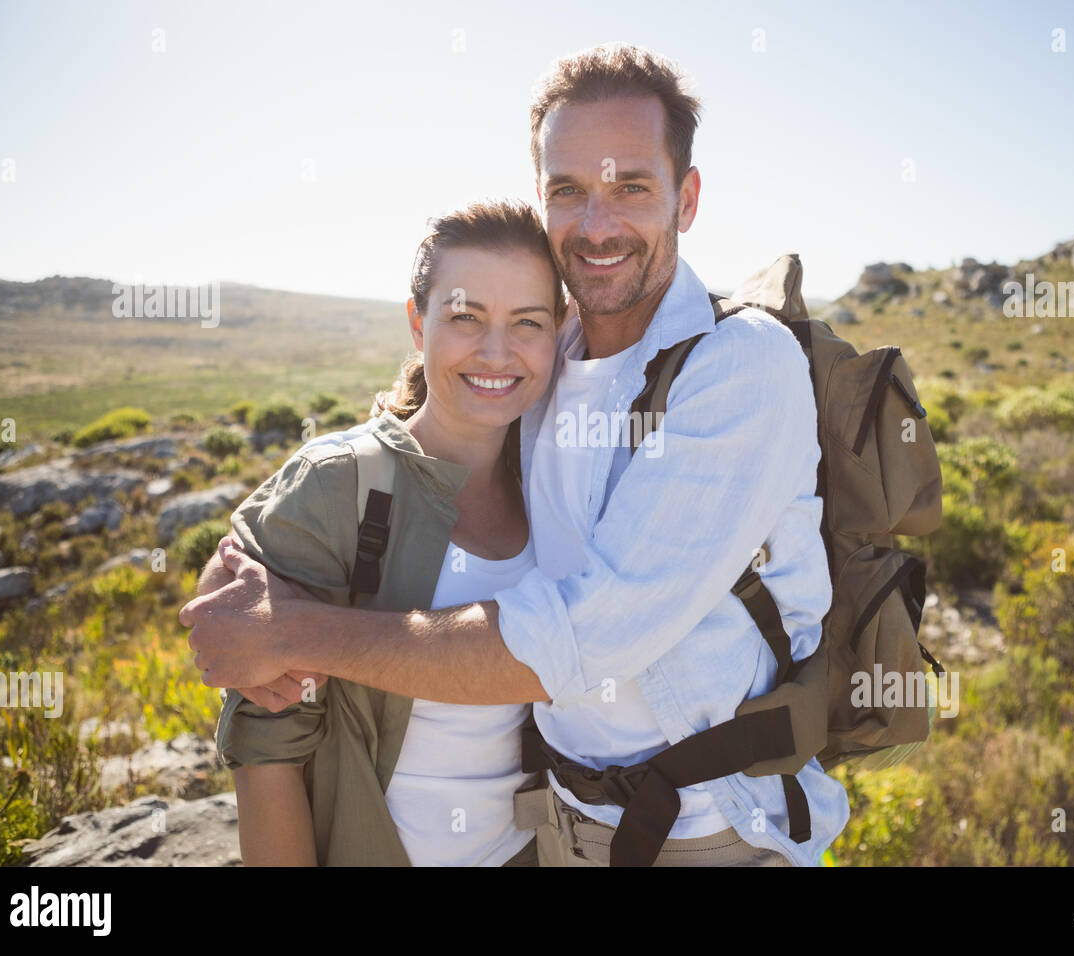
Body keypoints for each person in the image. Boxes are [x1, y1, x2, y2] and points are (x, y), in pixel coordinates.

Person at [183, 41, 850, 867]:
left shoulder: (740, 364)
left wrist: (293, 633)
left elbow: (576, 641)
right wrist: (250, 560)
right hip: (555, 831)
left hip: (712, 835)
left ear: (688, 197)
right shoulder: (548, 352)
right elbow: (433, 420)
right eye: (568, 190)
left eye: (631, 187)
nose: (597, 224)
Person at [204, 198, 564, 866]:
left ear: (560, 331)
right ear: (416, 320)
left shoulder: (558, 481)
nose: (496, 351)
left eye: (527, 322)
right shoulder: (341, 481)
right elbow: (265, 755)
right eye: (465, 317)